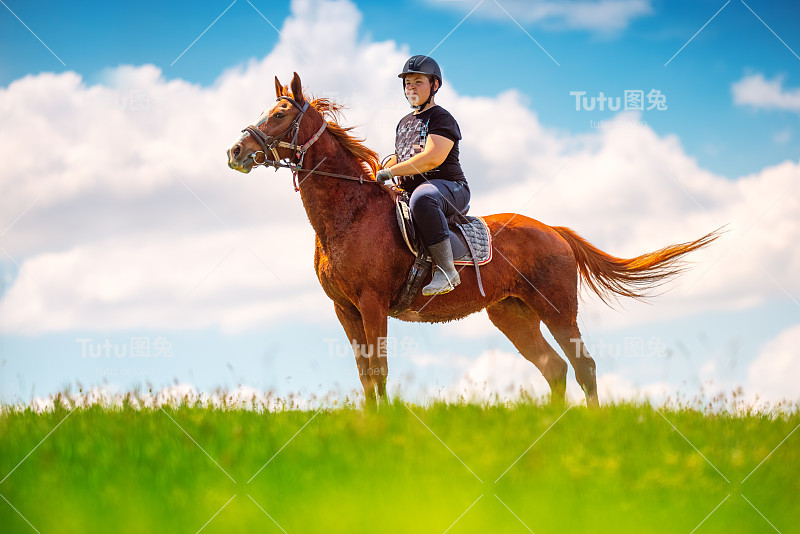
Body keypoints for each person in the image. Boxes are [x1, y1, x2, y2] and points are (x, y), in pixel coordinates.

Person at [375, 55, 471, 296]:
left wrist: (389, 172)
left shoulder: (441, 118)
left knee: (423, 198)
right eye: (407, 83)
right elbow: (402, 157)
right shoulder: (403, 123)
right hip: (410, 190)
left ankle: (447, 271)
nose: (411, 87)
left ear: (434, 85)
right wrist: (380, 169)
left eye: (418, 82)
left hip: (450, 188)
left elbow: (431, 158)